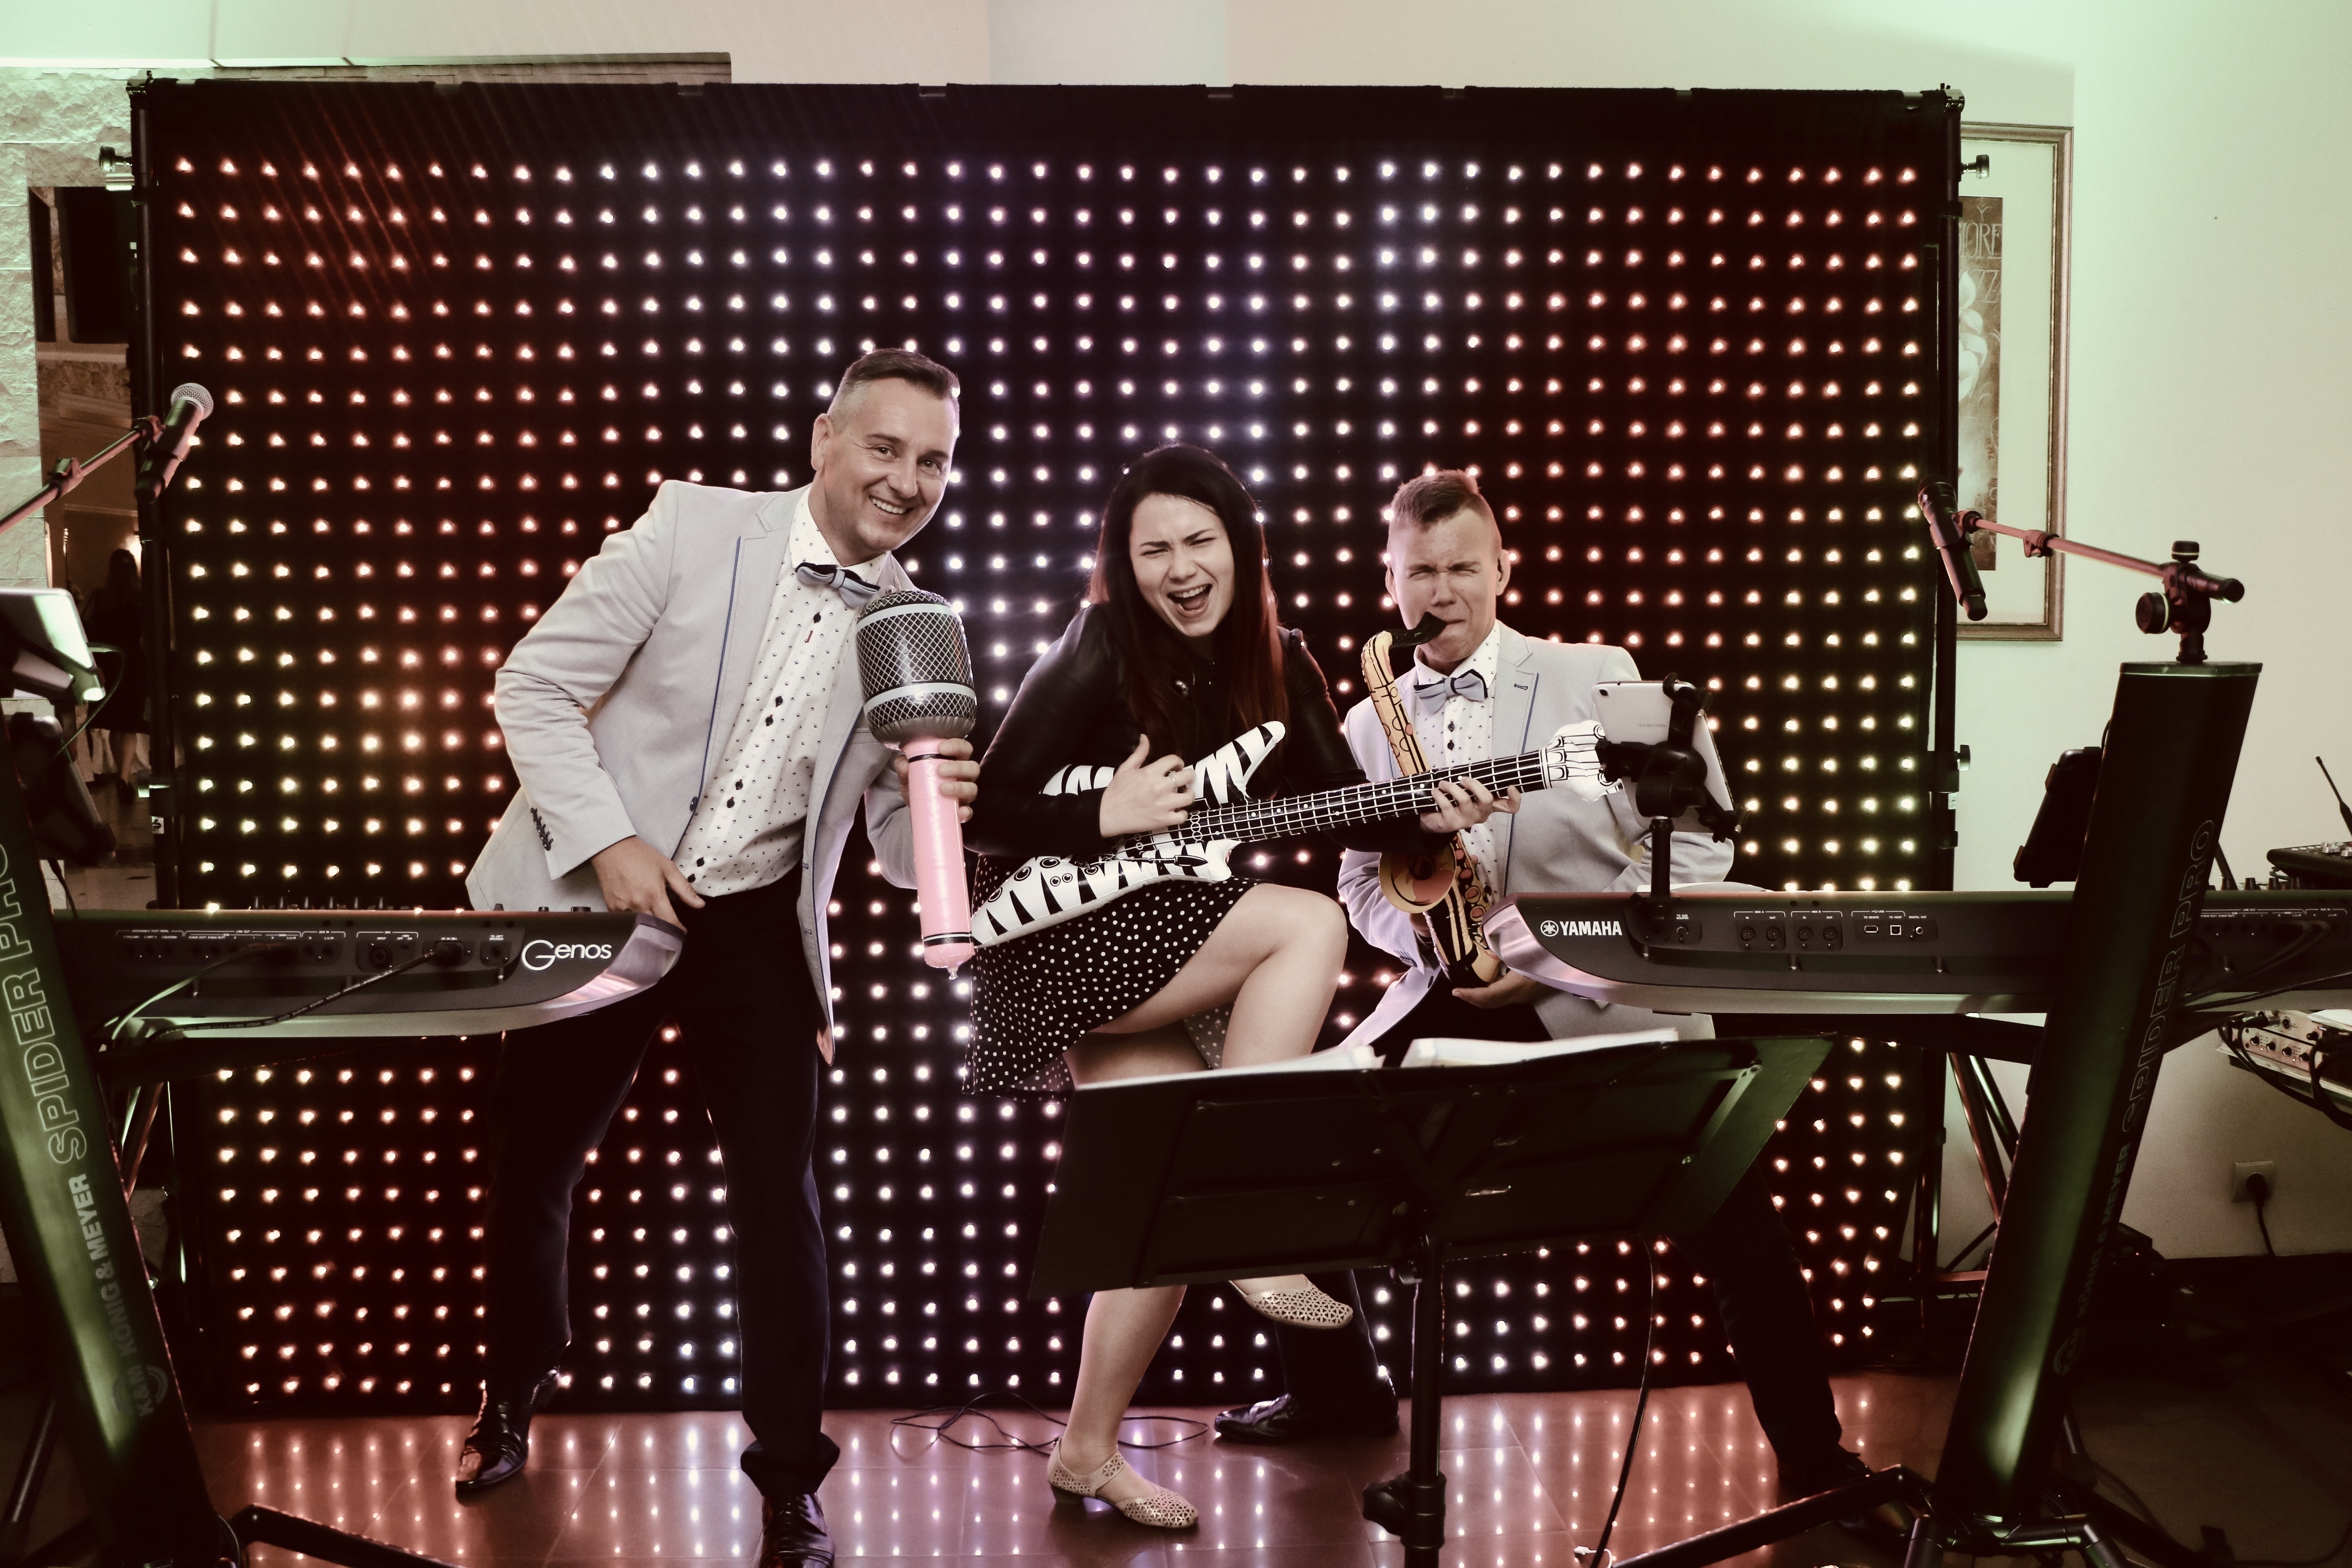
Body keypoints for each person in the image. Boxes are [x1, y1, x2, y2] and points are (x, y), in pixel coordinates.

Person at [1213, 468, 1883, 1510]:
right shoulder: (1365, 724)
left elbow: (1696, 844)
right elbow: (1357, 879)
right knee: (1292, 1137)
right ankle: (1339, 1386)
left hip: (1597, 991)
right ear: (1390, 582)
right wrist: (1433, 937)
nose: (1442, 592)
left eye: (1462, 568)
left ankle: (1815, 1457)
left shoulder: (1598, 675)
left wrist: (1549, 955)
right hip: (1458, 985)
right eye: (1420, 573)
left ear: (1503, 570)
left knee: (1733, 1210)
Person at [461, 349, 980, 1568]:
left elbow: (896, 856)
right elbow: (533, 686)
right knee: (537, 1161)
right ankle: (512, 1388)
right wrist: (610, 844)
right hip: (605, 895)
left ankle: (790, 1482)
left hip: (755, 925)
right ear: (824, 440)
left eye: (934, 461)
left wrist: (945, 801)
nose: (908, 481)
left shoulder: (914, 628)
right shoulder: (691, 528)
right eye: (886, 447)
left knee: (778, 1200)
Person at [961, 445, 1507, 1531]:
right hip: (1060, 932)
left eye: (1199, 541)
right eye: (1153, 549)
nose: (1180, 568)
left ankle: (1084, 1451)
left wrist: (1426, 812)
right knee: (1304, 922)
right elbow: (990, 812)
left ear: (1242, 549)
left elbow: (1342, 806)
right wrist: (1104, 814)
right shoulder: (1099, 644)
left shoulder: (1280, 660)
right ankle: (1260, 1224)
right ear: (1123, 564)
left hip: (1161, 936)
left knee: (1164, 1206)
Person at [86, 549, 149, 788]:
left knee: (115, 723)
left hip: (109, 664)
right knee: (129, 724)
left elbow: (90, 633)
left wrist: (96, 666)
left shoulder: (101, 599)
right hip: (133, 664)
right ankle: (124, 776)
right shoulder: (141, 600)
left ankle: (123, 777)